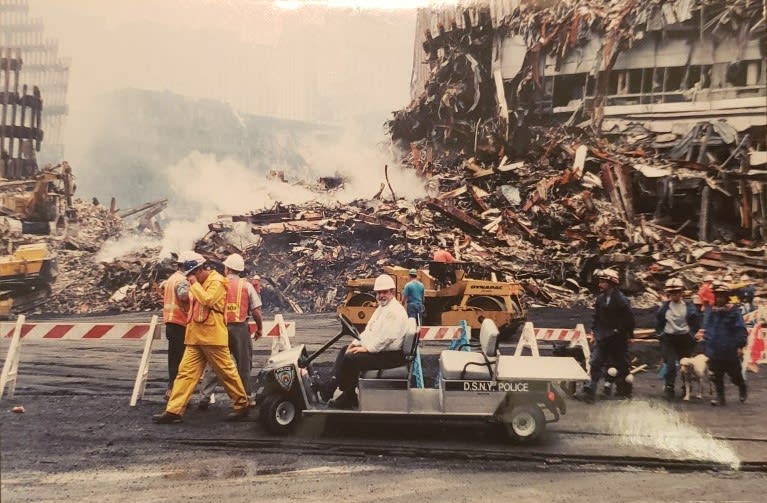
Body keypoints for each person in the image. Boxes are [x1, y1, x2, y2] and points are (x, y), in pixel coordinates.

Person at [153, 253, 249, 424]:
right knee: (185, 373)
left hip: (213, 336)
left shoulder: (217, 281)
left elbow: (208, 300)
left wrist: (195, 284)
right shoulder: (197, 282)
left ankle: (241, 404)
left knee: (226, 372)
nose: (189, 278)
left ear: (199, 270)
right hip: (195, 336)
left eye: (191, 274)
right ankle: (174, 410)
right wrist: (194, 285)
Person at [327, 274, 409, 409]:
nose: (381, 295)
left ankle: (345, 396)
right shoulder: (382, 309)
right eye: (378, 293)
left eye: (384, 292)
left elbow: (387, 337)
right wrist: (355, 343)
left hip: (392, 356)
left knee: (351, 359)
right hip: (383, 351)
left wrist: (367, 349)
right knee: (345, 350)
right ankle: (335, 389)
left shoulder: (394, 311)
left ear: (392, 292)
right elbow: (369, 330)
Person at [197, 253, 263, 409]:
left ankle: (204, 397)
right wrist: (259, 328)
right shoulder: (246, 286)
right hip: (240, 329)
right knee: (244, 364)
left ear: (227, 269)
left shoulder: (219, 283)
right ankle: (247, 396)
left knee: (215, 363)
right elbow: (256, 310)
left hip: (220, 327)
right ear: (239, 270)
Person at [575, 268, 635, 403]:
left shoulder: (621, 300)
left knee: (621, 365)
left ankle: (624, 391)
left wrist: (628, 334)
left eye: (603, 282)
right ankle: (590, 391)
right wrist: (594, 332)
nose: (599, 284)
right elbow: (596, 317)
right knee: (595, 362)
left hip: (618, 339)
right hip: (603, 337)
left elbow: (629, 319)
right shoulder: (600, 299)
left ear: (611, 283)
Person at [704, 281, 748, 406]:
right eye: (717, 296)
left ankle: (742, 387)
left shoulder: (733, 312)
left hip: (730, 349)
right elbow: (708, 328)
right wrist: (707, 343)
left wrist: (740, 345)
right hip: (715, 349)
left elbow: (740, 329)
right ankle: (720, 398)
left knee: (735, 375)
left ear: (726, 297)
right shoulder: (712, 312)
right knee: (716, 375)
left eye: (722, 296)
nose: (719, 298)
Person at [656, 278, 700, 400]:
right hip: (670, 338)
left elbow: (695, 321)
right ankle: (669, 387)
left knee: (686, 365)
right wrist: (661, 335)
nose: (675, 295)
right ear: (668, 294)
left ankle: (686, 387)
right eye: (672, 293)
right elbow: (659, 321)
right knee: (670, 364)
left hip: (685, 339)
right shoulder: (664, 308)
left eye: (677, 292)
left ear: (682, 293)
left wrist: (692, 335)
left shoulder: (688, 307)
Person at [160, 252, 191, 399]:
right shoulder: (182, 280)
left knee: (174, 358)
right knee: (182, 361)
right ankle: (176, 392)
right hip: (180, 323)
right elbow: (184, 296)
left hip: (171, 322)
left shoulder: (172, 278)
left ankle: (172, 389)